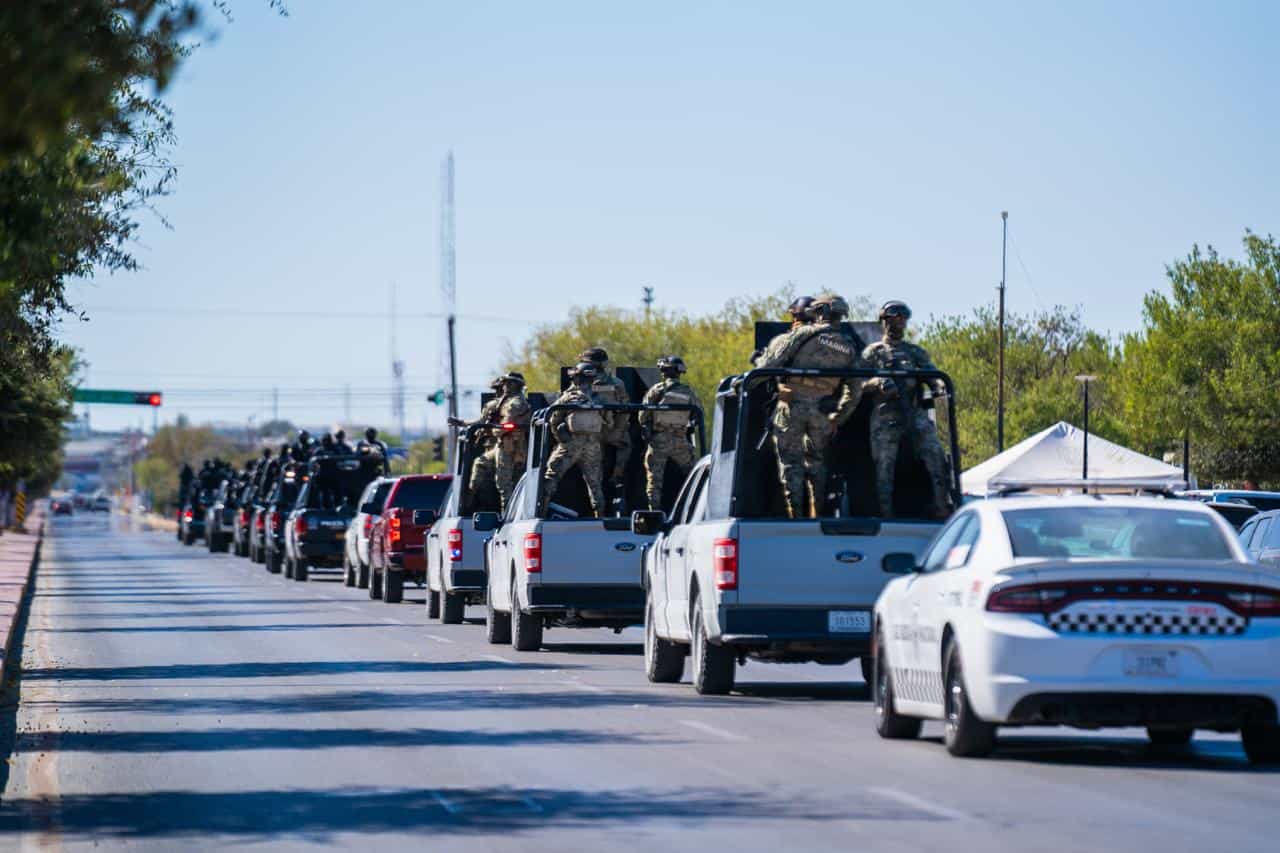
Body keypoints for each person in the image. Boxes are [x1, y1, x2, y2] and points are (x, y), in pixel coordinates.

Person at [758, 293, 862, 518]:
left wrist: (746, 381)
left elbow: (769, 365)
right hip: (822, 413)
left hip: (791, 407)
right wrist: (838, 417)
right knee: (817, 464)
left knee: (791, 464)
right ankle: (818, 516)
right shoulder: (848, 346)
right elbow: (855, 390)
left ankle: (796, 517)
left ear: (819, 312)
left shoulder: (803, 334)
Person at [861, 300, 951, 519]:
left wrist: (939, 386)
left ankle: (941, 506)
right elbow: (857, 383)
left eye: (903, 319)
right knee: (884, 465)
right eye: (894, 318)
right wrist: (877, 383)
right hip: (885, 413)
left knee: (935, 453)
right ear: (884, 321)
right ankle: (886, 514)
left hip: (912, 410)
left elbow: (932, 375)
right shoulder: (873, 352)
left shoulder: (914, 352)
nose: (899, 323)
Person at [542, 362, 610, 517]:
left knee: (551, 477)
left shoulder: (568, 397)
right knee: (595, 484)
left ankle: (541, 513)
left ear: (578, 378)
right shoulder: (600, 399)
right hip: (592, 444)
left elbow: (553, 419)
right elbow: (609, 422)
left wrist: (561, 438)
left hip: (571, 444)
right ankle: (600, 517)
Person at [639, 356, 703, 510]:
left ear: (664, 372)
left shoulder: (657, 390)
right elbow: (698, 414)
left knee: (654, 480)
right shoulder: (688, 392)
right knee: (694, 474)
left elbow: (642, 416)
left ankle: (653, 512)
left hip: (659, 440)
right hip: (680, 441)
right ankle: (694, 508)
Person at [580, 347, 632, 491]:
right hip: (599, 429)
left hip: (597, 429)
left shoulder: (582, 382)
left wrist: (618, 430)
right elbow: (625, 408)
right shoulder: (615, 383)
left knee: (624, 446)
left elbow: (625, 409)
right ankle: (613, 479)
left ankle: (608, 481)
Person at [450, 378, 505, 510]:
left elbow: (480, 423)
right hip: (504, 447)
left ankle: (469, 501)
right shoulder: (519, 404)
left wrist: (462, 423)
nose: (498, 392)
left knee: (481, 467)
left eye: (499, 389)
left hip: (498, 446)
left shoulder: (494, 405)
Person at [490, 372, 532, 514]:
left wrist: (495, 430)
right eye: (505, 383)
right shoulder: (507, 401)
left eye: (509, 383)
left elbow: (506, 425)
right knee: (509, 483)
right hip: (511, 444)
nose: (505, 386)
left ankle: (508, 515)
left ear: (517, 385)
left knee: (505, 483)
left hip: (513, 445)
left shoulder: (515, 403)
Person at [752, 295, 816, 366]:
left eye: (793, 316)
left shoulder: (786, 340)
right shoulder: (825, 338)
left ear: (796, 318)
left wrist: (756, 359)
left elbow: (766, 366)